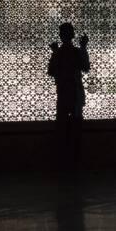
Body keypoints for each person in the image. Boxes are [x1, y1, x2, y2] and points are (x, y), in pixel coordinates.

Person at [48, 22, 90, 168]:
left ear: (61, 36)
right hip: (74, 94)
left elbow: (52, 71)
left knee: (64, 127)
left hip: (65, 93)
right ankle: (74, 160)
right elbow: (86, 67)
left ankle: (65, 161)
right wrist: (84, 47)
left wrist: (54, 52)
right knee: (75, 126)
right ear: (72, 35)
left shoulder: (59, 52)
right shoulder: (75, 52)